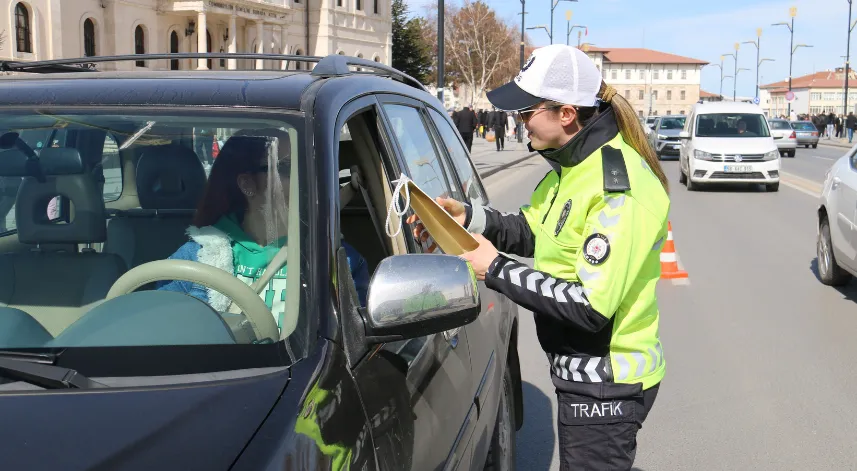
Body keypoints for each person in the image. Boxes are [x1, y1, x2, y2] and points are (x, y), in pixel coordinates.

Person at [409, 45, 668, 470]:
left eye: (526, 112)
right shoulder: (571, 169)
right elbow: (537, 232)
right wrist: (470, 218)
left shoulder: (617, 187)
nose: (518, 121)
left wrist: (494, 267)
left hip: (607, 384)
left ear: (566, 113)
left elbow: (590, 307)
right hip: (581, 374)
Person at [158, 129, 370, 329]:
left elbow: (351, 345)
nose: (306, 179)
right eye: (287, 168)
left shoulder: (337, 259)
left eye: (307, 167)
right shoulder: (195, 258)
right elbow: (159, 332)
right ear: (247, 184)